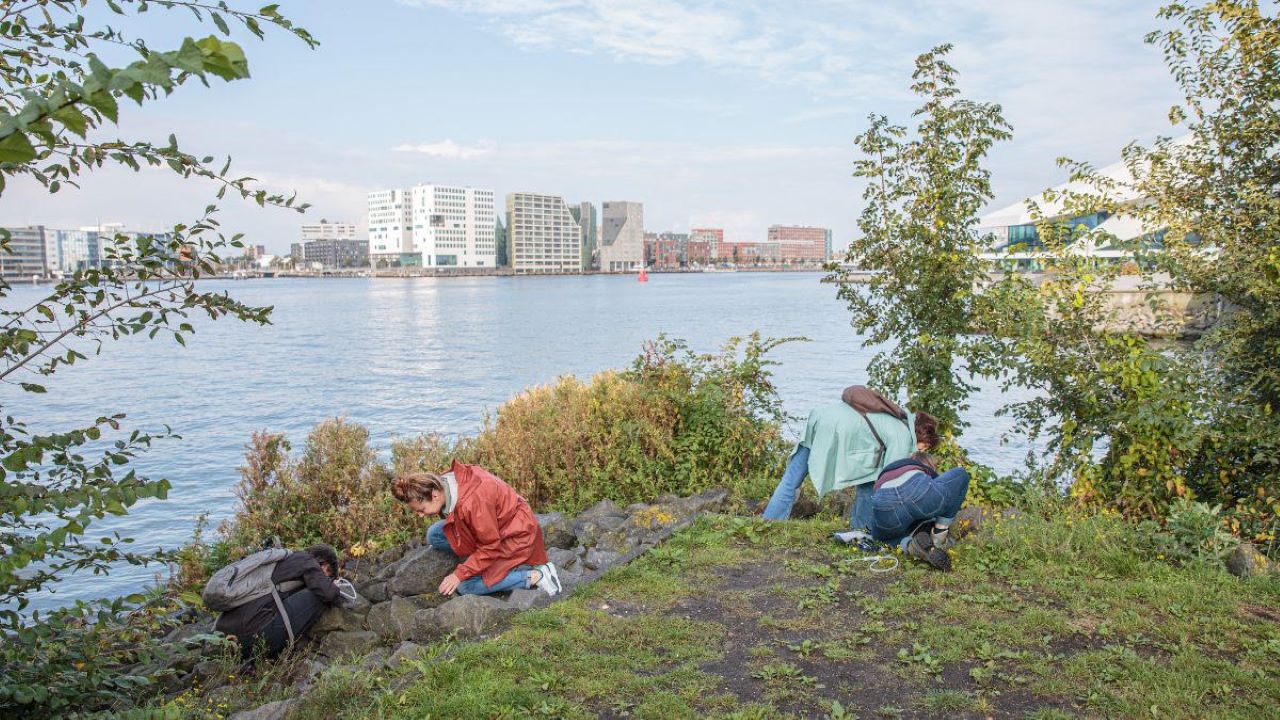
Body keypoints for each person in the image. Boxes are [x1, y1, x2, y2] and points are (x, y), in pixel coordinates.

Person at [763, 385, 923, 533]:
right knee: (869, 484)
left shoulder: (893, 414)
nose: (920, 451)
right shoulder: (903, 434)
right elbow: (889, 477)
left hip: (820, 416)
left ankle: (769, 525)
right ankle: (860, 531)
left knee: (791, 480)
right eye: (924, 447)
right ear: (923, 436)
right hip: (835, 430)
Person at [392, 460, 561, 597]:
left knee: (466, 586)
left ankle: (536, 576)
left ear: (434, 495)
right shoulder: (445, 483)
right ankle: (481, 564)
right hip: (493, 526)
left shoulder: (474, 502)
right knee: (434, 535)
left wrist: (459, 574)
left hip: (515, 535)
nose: (421, 515)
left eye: (421, 510)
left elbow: (490, 547)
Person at [868, 414, 970, 571]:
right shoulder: (921, 469)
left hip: (883, 502)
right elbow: (938, 496)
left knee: (883, 537)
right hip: (916, 490)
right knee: (961, 475)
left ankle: (909, 545)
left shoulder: (893, 465)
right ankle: (939, 536)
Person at [214, 544, 345, 660]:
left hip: (222, 635)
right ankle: (280, 654)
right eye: (327, 571)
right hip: (250, 638)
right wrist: (334, 587)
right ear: (322, 561)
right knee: (319, 595)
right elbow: (327, 593)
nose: (326, 576)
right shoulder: (306, 560)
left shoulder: (282, 559)